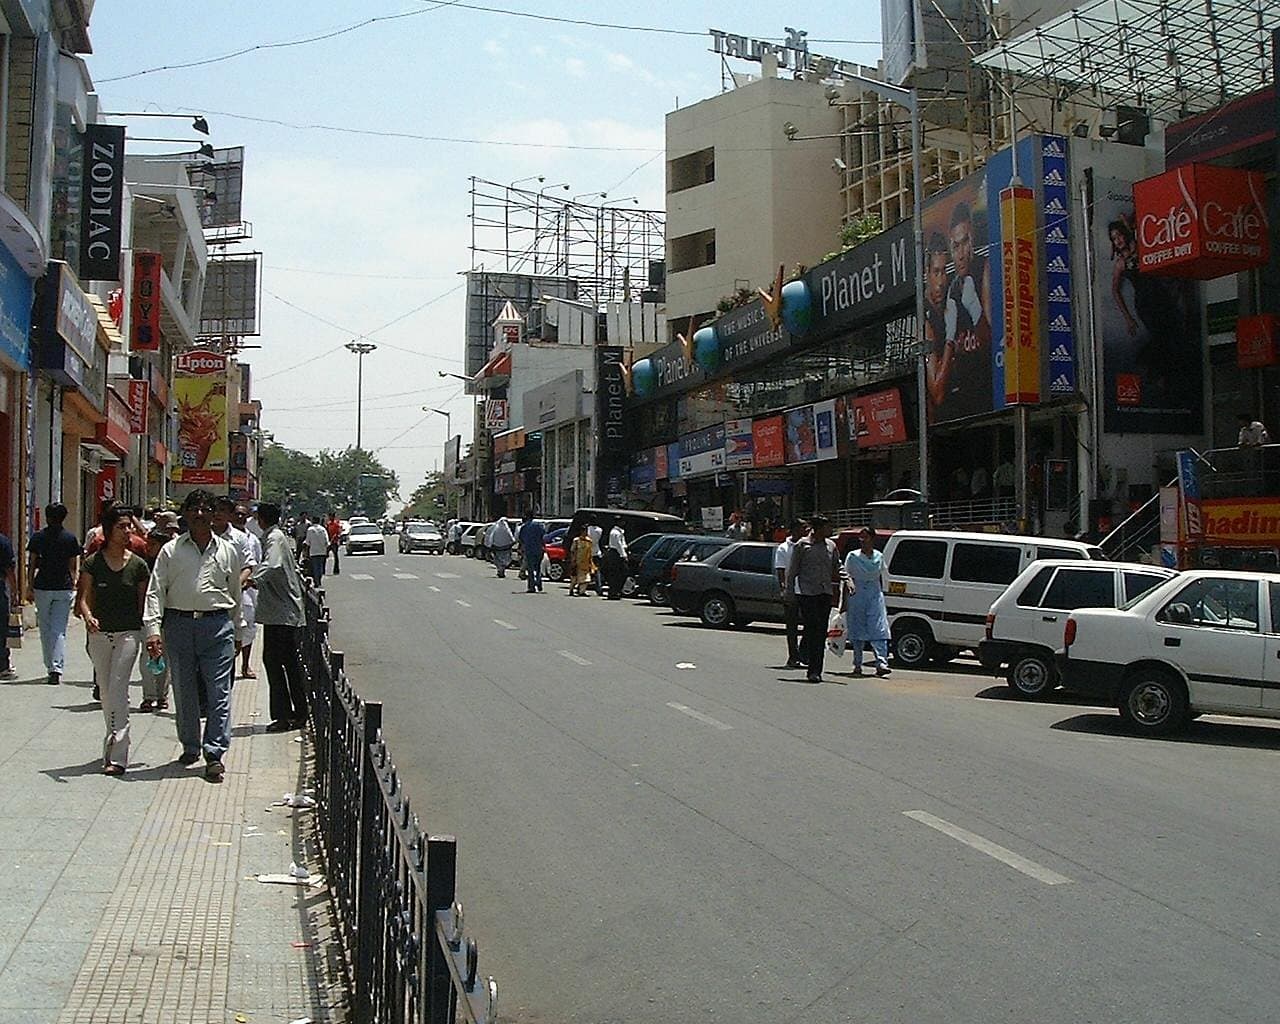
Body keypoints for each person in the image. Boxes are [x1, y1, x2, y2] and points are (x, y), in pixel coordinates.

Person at [143, 489, 243, 783]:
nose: (199, 514)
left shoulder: (227, 551)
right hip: (179, 626)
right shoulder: (171, 551)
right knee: (184, 690)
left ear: (214, 515)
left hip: (217, 627)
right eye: (194, 509)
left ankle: (214, 754)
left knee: (219, 692)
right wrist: (153, 630)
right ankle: (190, 746)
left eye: (205, 509)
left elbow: (235, 594)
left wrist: (237, 632)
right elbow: (155, 591)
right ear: (185, 514)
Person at [76, 505, 150, 775]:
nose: (127, 531)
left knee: (118, 687)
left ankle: (119, 754)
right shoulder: (93, 563)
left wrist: (151, 635)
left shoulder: (138, 565)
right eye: (121, 527)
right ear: (108, 530)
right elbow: (83, 599)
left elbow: (144, 604)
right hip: (99, 635)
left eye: (129, 526)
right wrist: (88, 617)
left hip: (128, 633)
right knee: (106, 691)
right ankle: (112, 738)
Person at [252, 502, 308, 732]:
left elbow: (272, 564)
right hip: (278, 612)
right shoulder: (274, 536)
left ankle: (285, 715)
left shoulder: (274, 538)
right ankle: (297, 712)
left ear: (261, 519)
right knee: (285, 663)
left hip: (281, 613)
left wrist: (252, 579)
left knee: (277, 663)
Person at [26, 502, 80, 685]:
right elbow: (73, 565)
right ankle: (56, 667)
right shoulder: (70, 538)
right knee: (59, 629)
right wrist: (73, 583)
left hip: (42, 586)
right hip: (63, 587)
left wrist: (29, 586)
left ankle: (50, 664)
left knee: (45, 627)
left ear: (47, 517)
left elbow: (32, 563)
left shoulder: (38, 537)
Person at [785, 514, 840, 683]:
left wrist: (848, 580)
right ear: (818, 529)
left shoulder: (831, 546)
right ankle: (807, 660)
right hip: (808, 594)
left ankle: (815, 670)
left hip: (825, 593)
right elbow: (792, 571)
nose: (830, 530)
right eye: (827, 527)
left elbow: (838, 565)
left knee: (820, 632)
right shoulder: (802, 545)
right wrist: (789, 593)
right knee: (812, 628)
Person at [843, 527, 891, 678]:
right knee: (857, 628)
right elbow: (846, 577)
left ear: (872, 538)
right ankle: (857, 663)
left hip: (874, 595)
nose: (862, 541)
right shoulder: (853, 556)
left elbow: (882, 577)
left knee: (879, 628)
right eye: (861, 538)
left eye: (865, 537)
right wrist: (844, 602)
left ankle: (881, 662)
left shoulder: (879, 556)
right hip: (857, 595)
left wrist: (882, 595)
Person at [226, 502, 263, 679]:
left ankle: (245, 665)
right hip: (226, 592)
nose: (240, 517)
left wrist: (250, 581)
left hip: (248, 591)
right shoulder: (224, 537)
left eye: (243, 514)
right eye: (237, 514)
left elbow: (257, 564)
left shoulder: (253, 539)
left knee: (248, 628)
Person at [138, 525, 173, 712]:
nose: (149, 548)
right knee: (147, 656)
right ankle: (148, 696)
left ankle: (162, 696)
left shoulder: (171, 565)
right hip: (147, 618)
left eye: (153, 544)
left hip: (169, 617)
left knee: (164, 657)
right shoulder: (143, 565)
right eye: (148, 544)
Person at [774, 519, 808, 670]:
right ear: (794, 530)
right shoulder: (784, 548)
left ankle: (803, 653)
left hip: (807, 591)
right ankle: (793, 656)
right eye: (802, 528)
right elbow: (780, 570)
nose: (805, 531)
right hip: (792, 591)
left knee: (809, 624)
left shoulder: (808, 546)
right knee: (792, 626)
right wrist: (784, 589)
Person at [0, 526, 16, 681]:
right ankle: (3, 665)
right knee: (1, 628)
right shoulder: (3, 542)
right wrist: (14, 591)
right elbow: (9, 569)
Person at [516, 512, 546, 592]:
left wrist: (521, 548)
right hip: (539, 549)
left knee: (530, 569)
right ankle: (539, 582)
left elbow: (521, 539)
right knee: (538, 567)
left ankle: (532, 586)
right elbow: (543, 536)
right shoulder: (539, 525)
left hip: (529, 550)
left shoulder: (524, 527)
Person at [601, 519, 629, 600]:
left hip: (617, 553)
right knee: (616, 574)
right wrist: (624, 555)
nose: (624, 523)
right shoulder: (615, 532)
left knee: (618, 574)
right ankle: (613, 592)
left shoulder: (620, 532)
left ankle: (615, 591)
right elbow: (618, 545)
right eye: (622, 521)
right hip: (616, 554)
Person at [567, 524, 594, 596]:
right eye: (584, 531)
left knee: (586, 579)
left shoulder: (589, 541)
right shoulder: (576, 540)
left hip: (586, 563)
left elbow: (590, 552)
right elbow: (572, 551)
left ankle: (582, 591)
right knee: (575, 578)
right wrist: (573, 560)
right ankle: (571, 589)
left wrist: (591, 562)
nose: (585, 532)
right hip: (577, 562)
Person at [305, 515, 329, 585]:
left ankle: (316, 581)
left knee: (315, 567)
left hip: (313, 551)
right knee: (320, 566)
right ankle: (319, 579)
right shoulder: (323, 529)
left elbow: (307, 542)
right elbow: (327, 541)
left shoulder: (310, 530)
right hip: (322, 551)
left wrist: (306, 552)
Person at [587, 522, 604, 595]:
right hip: (597, 551)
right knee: (597, 571)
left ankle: (581, 586)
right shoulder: (600, 530)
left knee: (585, 570)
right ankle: (599, 588)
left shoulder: (587, 529)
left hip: (587, 551)